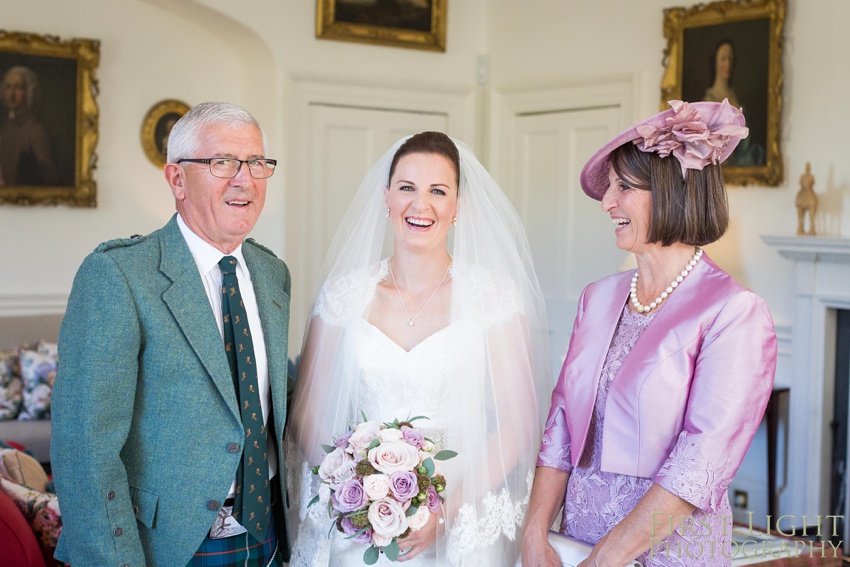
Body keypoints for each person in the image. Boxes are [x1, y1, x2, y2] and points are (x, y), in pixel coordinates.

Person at [521, 100, 777, 566]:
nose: (607, 202)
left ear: (669, 192)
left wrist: (610, 556)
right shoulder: (596, 298)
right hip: (575, 537)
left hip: (666, 550)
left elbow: (700, 463)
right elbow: (561, 423)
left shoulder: (734, 312)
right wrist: (536, 530)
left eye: (624, 187)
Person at [286, 131, 550, 565]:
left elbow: (518, 424)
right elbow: (307, 414)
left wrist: (446, 510)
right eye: (406, 188)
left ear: (458, 206)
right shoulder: (344, 295)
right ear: (386, 197)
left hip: (462, 512)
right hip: (360, 521)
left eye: (438, 191)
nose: (420, 204)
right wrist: (355, 485)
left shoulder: (493, 297)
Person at [51, 102, 292, 566]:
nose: (245, 179)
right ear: (176, 179)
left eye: (257, 163)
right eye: (222, 162)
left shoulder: (272, 273)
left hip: (267, 539)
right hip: (166, 549)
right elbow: (85, 448)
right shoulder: (119, 275)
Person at [0, 65, 61, 186]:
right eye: (8, 87)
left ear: (30, 92)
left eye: (19, 88)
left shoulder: (35, 131)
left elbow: (49, 180)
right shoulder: (4, 129)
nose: (12, 94)